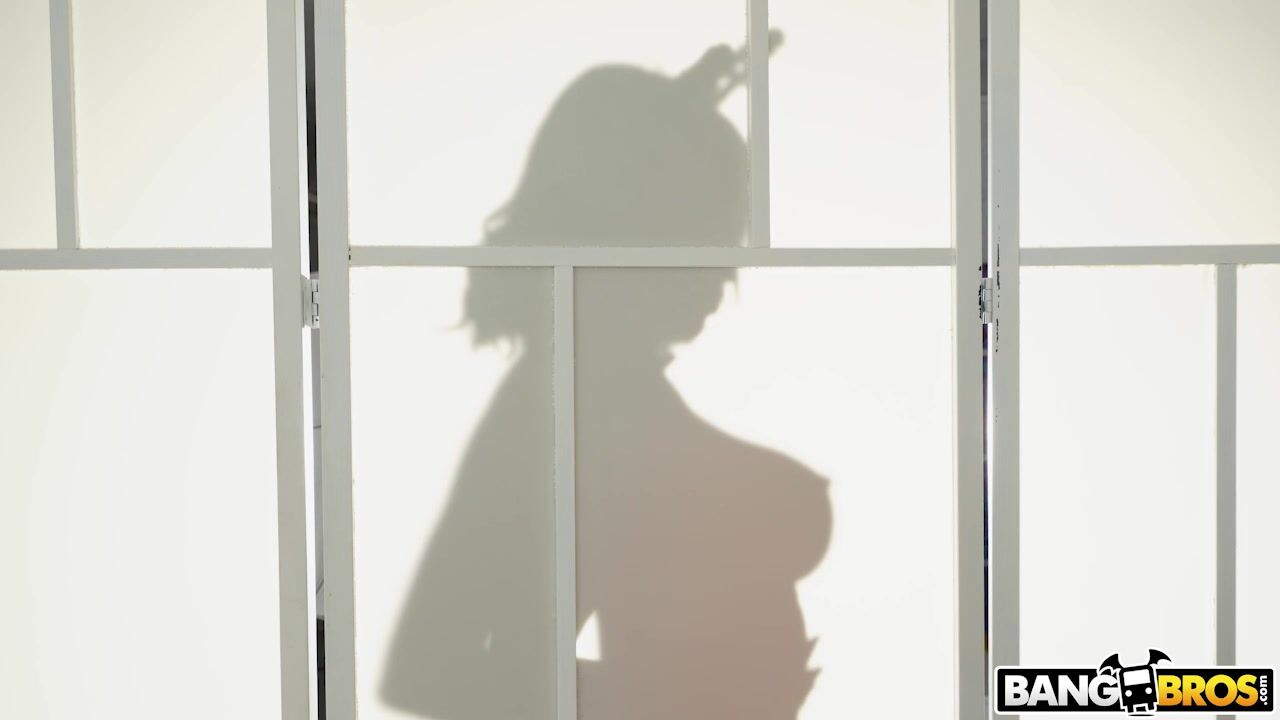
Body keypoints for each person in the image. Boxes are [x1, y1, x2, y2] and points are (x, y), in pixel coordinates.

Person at [382, 39, 832, 720]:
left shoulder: (599, 394)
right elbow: (428, 667)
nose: (724, 275)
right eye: (707, 239)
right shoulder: (559, 405)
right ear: (632, 237)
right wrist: (676, 695)